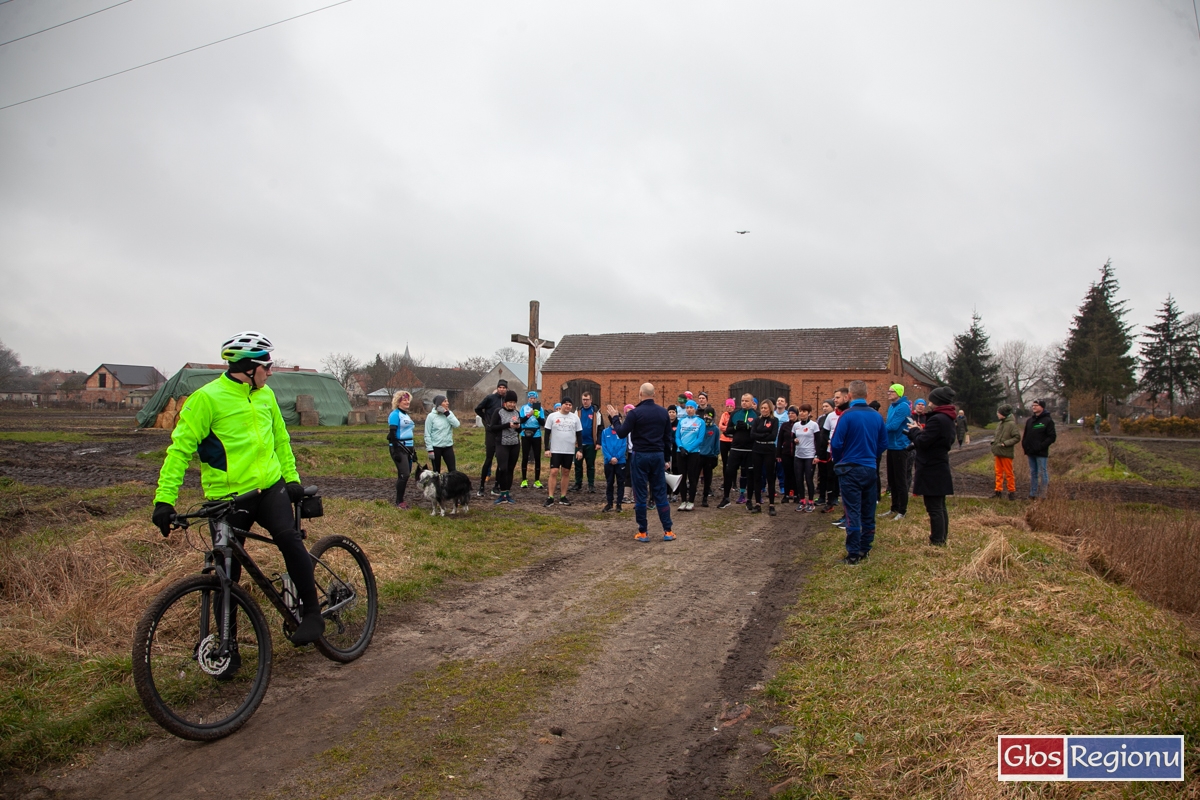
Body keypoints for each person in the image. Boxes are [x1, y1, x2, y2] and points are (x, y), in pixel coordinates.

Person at [152, 331, 324, 645]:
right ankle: (226, 646)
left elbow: (281, 441)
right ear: (247, 368)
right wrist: (164, 500)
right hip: (228, 499)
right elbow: (179, 451)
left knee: (289, 540)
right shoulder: (206, 399)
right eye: (266, 367)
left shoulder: (266, 395)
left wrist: (292, 479)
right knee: (226, 574)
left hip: (269, 489)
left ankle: (312, 614)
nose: (271, 372)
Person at [606, 384, 674, 542]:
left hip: (640, 455)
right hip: (657, 455)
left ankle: (643, 532)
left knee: (640, 494)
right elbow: (667, 439)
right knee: (660, 493)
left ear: (640, 394)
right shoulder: (663, 413)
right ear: (654, 394)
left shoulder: (635, 413)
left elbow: (622, 433)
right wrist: (666, 459)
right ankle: (668, 531)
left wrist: (615, 417)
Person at [829, 381, 887, 564]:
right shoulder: (877, 417)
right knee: (868, 510)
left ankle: (853, 553)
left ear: (850, 396)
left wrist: (839, 461)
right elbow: (883, 443)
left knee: (852, 511)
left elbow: (836, 443)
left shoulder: (846, 416)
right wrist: (871, 456)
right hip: (869, 468)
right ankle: (865, 548)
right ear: (867, 396)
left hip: (850, 468)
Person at [906, 386, 957, 546]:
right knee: (940, 506)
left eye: (931, 399)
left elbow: (923, 442)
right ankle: (941, 538)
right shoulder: (948, 418)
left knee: (934, 507)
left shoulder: (937, 419)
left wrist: (914, 431)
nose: (928, 403)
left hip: (931, 466)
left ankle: (937, 540)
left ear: (937, 402)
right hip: (939, 464)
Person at [717, 394, 758, 509]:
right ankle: (726, 498)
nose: (744, 403)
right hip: (735, 448)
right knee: (729, 471)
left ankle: (749, 499)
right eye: (742, 400)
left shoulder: (756, 415)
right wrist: (735, 428)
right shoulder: (735, 414)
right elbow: (727, 430)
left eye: (746, 401)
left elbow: (758, 431)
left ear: (752, 402)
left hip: (749, 450)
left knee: (749, 474)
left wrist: (748, 427)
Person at [543, 397, 583, 506]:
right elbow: (547, 433)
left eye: (570, 405)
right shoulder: (552, 416)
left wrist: (580, 449)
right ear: (561, 405)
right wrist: (547, 448)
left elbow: (579, 435)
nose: (568, 406)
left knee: (566, 472)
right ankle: (550, 497)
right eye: (566, 404)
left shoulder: (575, 418)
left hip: (569, 450)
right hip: (556, 449)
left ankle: (563, 496)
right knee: (554, 471)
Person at [474, 379, 508, 497]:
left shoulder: (506, 400)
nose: (502, 389)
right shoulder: (490, 398)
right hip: (490, 432)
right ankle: (481, 486)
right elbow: (478, 409)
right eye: (500, 387)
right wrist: (486, 420)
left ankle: (496, 486)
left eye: (504, 388)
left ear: (506, 389)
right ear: (497, 388)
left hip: (501, 432)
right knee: (489, 459)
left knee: (500, 460)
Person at [488, 390, 522, 504]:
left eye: (514, 402)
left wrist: (518, 427)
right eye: (510, 402)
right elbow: (492, 427)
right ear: (505, 402)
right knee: (503, 468)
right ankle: (501, 494)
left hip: (515, 444)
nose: (512, 404)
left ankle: (507, 493)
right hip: (502, 444)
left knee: (511, 469)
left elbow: (520, 430)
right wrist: (507, 425)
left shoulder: (517, 413)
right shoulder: (499, 412)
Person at [884, 384, 912, 521]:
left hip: (900, 446)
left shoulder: (903, 407)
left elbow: (893, 426)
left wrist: (878, 428)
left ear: (899, 393)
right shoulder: (891, 407)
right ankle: (894, 507)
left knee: (900, 480)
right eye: (888, 391)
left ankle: (902, 510)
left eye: (892, 391)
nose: (888, 393)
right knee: (892, 480)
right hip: (891, 446)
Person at [1022, 398, 1057, 498]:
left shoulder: (1047, 421)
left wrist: (1041, 446)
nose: (1033, 407)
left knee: (1043, 472)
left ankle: (1043, 494)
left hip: (1041, 452)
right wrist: (1025, 445)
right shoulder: (1030, 421)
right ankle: (1033, 493)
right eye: (1033, 405)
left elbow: (1052, 437)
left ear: (1042, 407)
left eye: (1036, 405)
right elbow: (1026, 435)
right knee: (1033, 473)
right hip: (1030, 452)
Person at [388, 390, 417, 509]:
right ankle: (399, 501)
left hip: (409, 447)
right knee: (404, 474)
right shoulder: (395, 414)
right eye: (404, 400)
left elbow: (409, 432)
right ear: (398, 402)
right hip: (399, 447)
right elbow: (392, 435)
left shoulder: (406, 415)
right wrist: (395, 452)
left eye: (408, 399)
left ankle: (401, 499)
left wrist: (413, 451)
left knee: (406, 474)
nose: (407, 401)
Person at [675, 400, 706, 511]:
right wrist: (681, 447)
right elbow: (677, 436)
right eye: (687, 407)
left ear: (695, 408)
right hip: (681, 452)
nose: (689, 409)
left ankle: (691, 501)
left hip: (693, 453)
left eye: (691, 407)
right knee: (682, 477)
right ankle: (683, 500)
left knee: (692, 477)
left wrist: (688, 449)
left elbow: (700, 438)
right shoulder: (681, 421)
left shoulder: (700, 422)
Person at [750, 399, 779, 515]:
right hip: (757, 449)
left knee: (770, 477)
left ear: (770, 409)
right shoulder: (757, 420)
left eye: (765, 408)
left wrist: (760, 435)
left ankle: (771, 504)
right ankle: (757, 503)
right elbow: (752, 435)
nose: (763, 410)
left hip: (769, 450)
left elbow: (773, 436)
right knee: (757, 476)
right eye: (762, 408)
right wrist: (764, 434)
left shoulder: (774, 420)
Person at [792, 404, 820, 512]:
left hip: (809, 456)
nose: (802, 413)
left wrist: (817, 455)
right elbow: (792, 438)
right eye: (801, 411)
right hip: (798, 455)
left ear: (809, 413)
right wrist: (794, 440)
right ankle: (802, 500)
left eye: (805, 411)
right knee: (799, 479)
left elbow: (818, 441)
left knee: (809, 479)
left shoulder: (814, 425)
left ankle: (811, 501)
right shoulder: (796, 425)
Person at [991, 403, 1021, 500]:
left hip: (1006, 452)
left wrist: (1005, 443)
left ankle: (1011, 492)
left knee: (1009, 473)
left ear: (1003, 413)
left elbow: (1017, 437)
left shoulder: (1011, 424)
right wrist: (994, 443)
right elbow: (997, 436)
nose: (997, 414)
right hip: (998, 451)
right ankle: (998, 491)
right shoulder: (1000, 424)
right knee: (998, 472)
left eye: (998, 412)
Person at [573, 392, 602, 493]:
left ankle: (591, 484)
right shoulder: (577, 412)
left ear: (591, 400)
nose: (585, 401)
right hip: (579, 443)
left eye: (587, 399)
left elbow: (600, 428)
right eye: (583, 399)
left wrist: (598, 442)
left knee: (590, 465)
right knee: (578, 465)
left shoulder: (596, 412)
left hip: (591, 443)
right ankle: (578, 483)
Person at [424, 395, 460, 473]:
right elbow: (427, 433)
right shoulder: (431, 416)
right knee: (436, 471)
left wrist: (446, 414)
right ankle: (438, 485)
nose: (447, 403)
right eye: (445, 401)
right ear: (439, 404)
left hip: (448, 446)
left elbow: (457, 425)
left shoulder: (449, 413)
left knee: (453, 470)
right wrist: (430, 449)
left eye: (447, 401)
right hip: (435, 447)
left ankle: (451, 485)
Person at [695, 394, 720, 507]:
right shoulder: (699, 427)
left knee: (708, 477)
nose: (707, 417)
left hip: (709, 456)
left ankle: (705, 497)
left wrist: (715, 455)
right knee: (695, 475)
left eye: (710, 415)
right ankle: (692, 495)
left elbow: (716, 443)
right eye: (706, 415)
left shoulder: (715, 429)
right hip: (699, 454)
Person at [518, 391, 545, 489]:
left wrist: (537, 416)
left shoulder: (540, 408)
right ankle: (524, 479)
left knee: (537, 457)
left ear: (536, 399)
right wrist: (529, 414)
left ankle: (537, 480)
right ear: (528, 398)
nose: (532, 400)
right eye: (530, 398)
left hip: (536, 434)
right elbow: (521, 421)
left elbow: (543, 423)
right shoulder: (523, 408)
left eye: (534, 398)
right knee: (525, 456)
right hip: (525, 434)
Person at [600, 416, 627, 512]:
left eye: (620, 418)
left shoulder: (623, 432)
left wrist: (617, 457)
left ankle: (619, 504)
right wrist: (610, 458)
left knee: (620, 483)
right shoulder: (604, 432)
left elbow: (624, 446)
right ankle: (609, 503)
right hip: (608, 462)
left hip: (620, 462)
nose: (619, 420)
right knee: (609, 482)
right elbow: (604, 446)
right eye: (617, 418)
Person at [814, 399, 835, 509]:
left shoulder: (835, 418)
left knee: (831, 475)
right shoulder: (821, 419)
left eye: (827, 406)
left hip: (831, 450)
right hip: (821, 449)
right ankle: (822, 496)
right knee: (822, 475)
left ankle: (833, 497)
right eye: (823, 406)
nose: (824, 408)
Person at [778, 406, 798, 502]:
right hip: (786, 453)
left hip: (797, 453)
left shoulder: (799, 425)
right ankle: (786, 494)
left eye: (793, 413)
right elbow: (780, 440)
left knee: (796, 474)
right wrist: (778, 454)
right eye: (789, 413)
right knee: (787, 474)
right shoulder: (784, 425)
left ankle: (796, 494)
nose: (790, 415)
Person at [665, 406, 680, 499]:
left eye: (673, 412)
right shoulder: (665, 423)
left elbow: (679, 435)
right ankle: (667, 492)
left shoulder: (679, 423)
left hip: (675, 449)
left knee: (675, 470)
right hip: (667, 449)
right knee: (667, 470)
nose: (671, 414)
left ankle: (675, 492)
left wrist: (673, 440)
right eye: (669, 412)